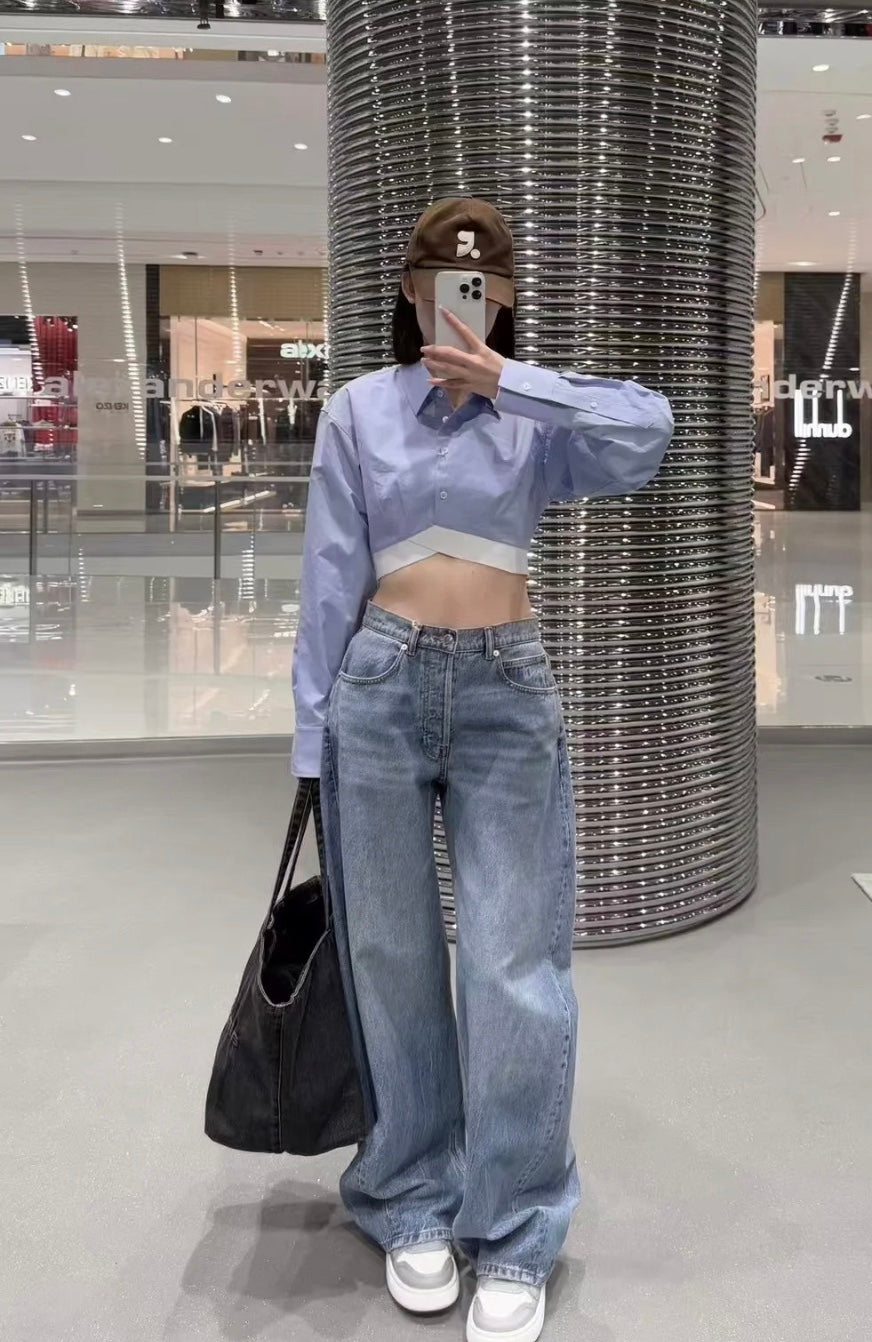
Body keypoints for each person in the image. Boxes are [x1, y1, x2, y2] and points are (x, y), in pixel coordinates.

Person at [292, 196, 673, 1342]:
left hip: (508, 687)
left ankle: (515, 1224)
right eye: (442, 286)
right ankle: (410, 1195)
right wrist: (309, 741)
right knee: (392, 955)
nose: (462, 304)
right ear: (410, 293)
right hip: (379, 683)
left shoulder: (534, 418)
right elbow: (329, 574)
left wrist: (512, 380)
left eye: (484, 290)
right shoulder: (359, 408)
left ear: (502, 300)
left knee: (516, 964)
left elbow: (649, 433)